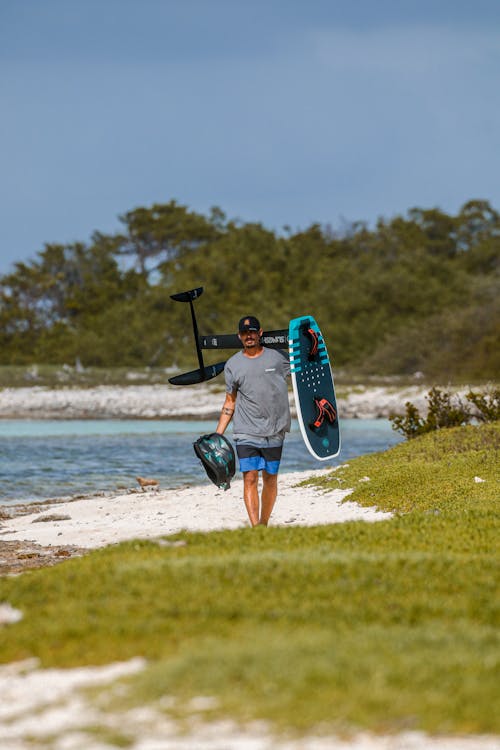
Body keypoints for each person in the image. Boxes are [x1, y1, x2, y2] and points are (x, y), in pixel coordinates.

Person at [216, 315, 291, 526]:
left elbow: (303, 376)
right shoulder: (232, 365)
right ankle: (255, 528)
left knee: (270, 478)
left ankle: (264, 523)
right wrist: (218, 434)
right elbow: (230, 401)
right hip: (245, 431)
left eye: (253, 332)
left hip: (275, 429)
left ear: (260, 333)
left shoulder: (278, 358)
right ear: (239, 336)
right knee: (249, 477)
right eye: (244, 333)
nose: (249, 336)